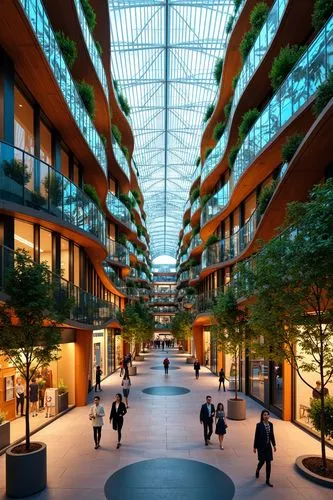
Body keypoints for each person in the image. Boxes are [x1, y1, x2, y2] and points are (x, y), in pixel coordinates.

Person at [253, 409, 276, 487]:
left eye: (267, 414)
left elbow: (272, 435)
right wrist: (255, 447)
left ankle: (267, 480)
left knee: (268, 463)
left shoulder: (271, 424)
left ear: (269, 416)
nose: (266, 416)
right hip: (261, 447)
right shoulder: (259, 425)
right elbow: (256, 436)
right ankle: (257, 469)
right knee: (262, 461)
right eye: (264, 415)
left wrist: (274, 445)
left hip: (268, 447)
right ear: (262, 416)